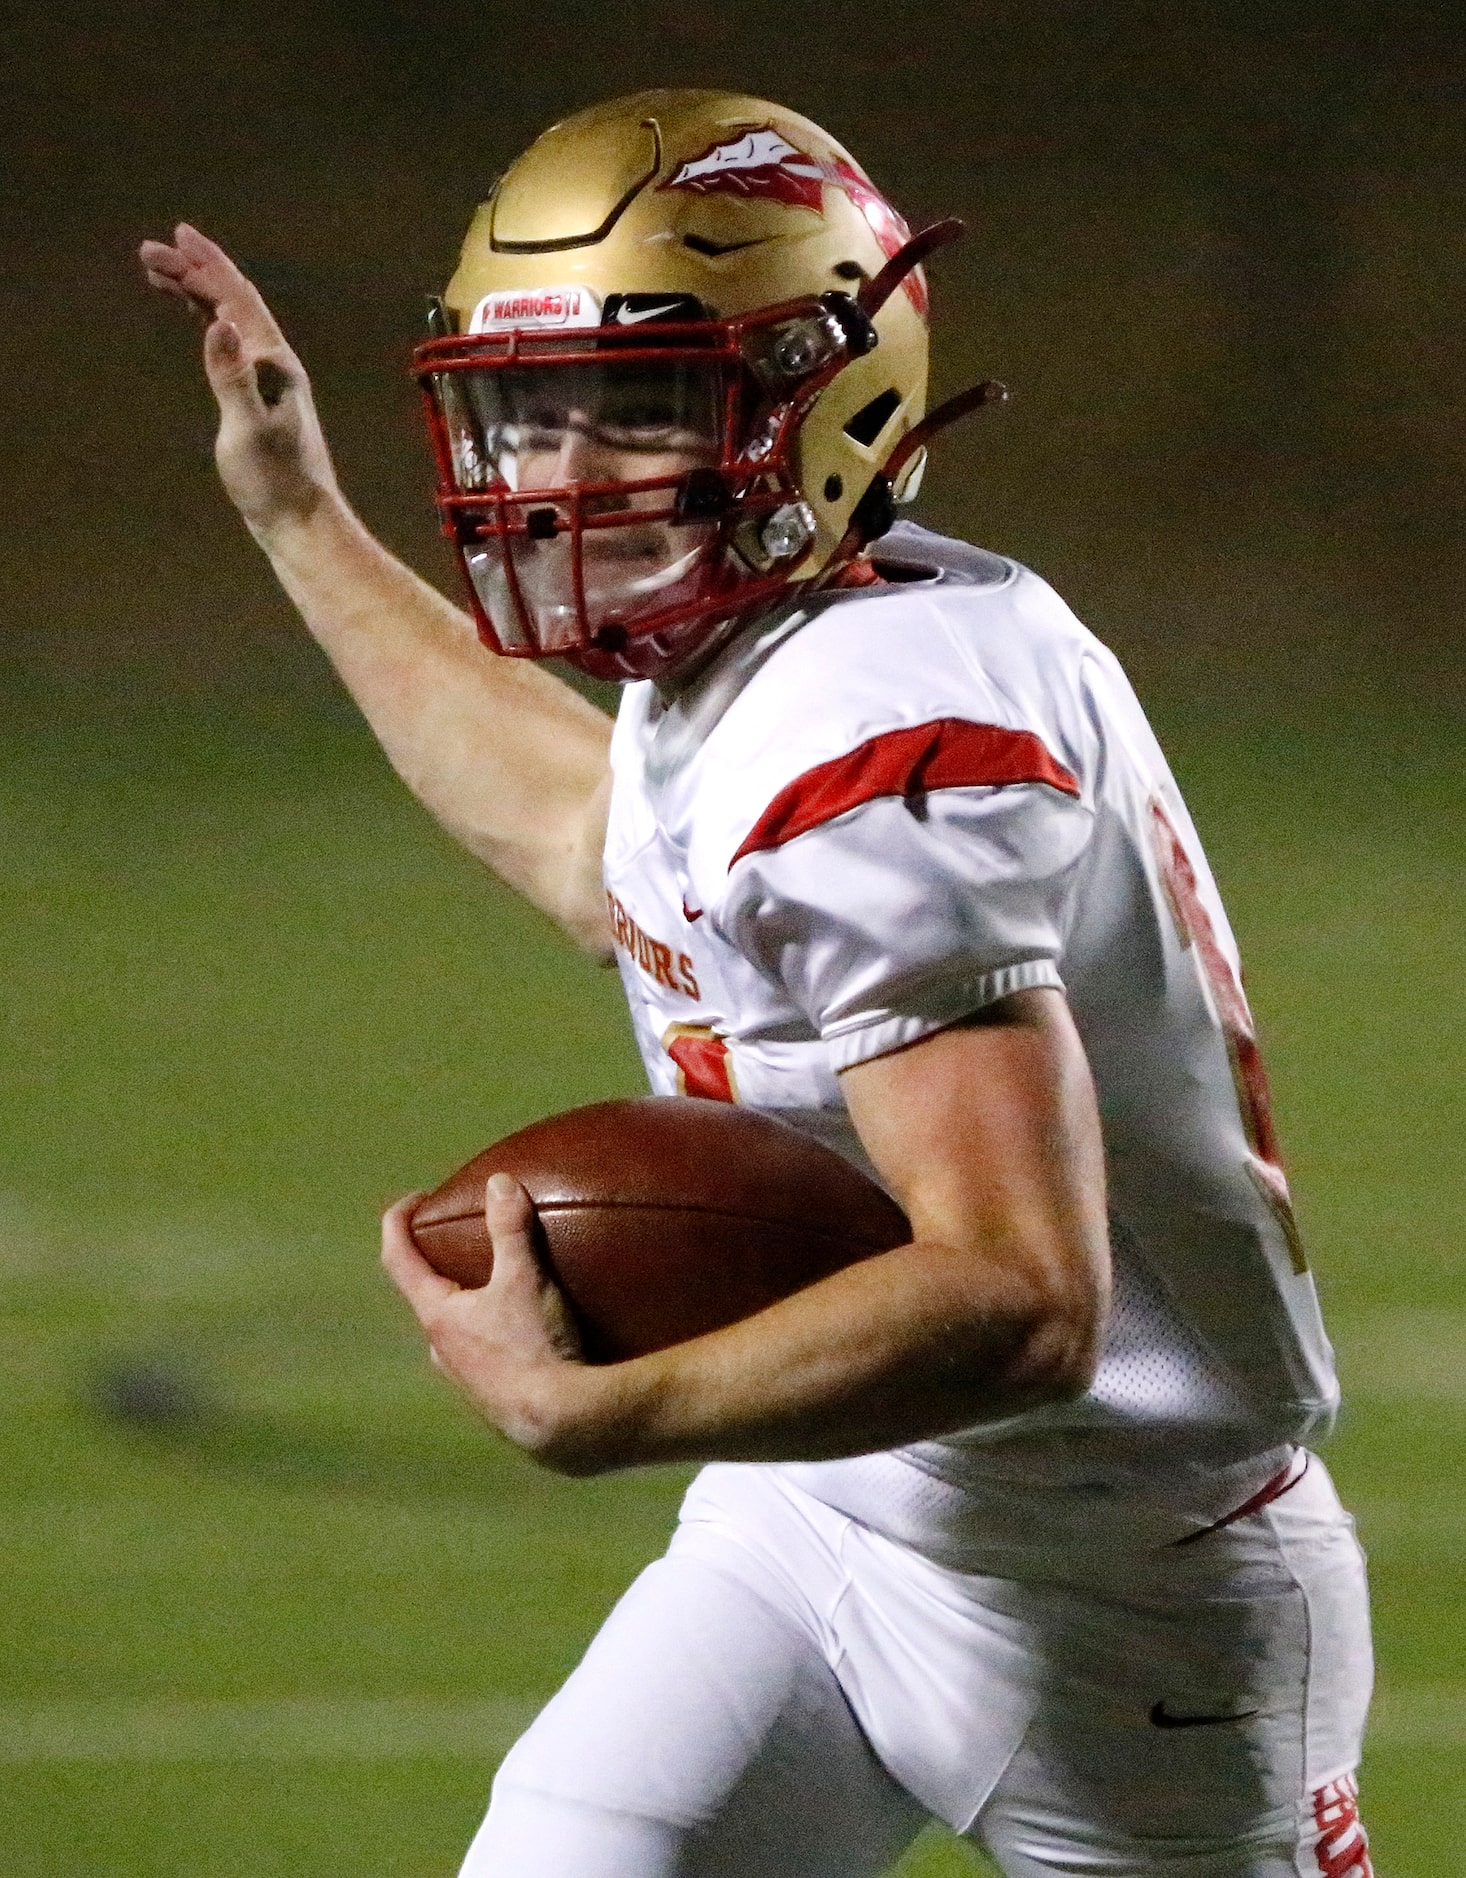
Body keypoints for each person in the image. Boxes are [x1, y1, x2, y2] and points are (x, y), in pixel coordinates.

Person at [140, 88, 1374, 1878]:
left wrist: (600, 1406)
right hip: (823, 1521)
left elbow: (1023, 1293)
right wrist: (300, 520)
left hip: (1127, 1591)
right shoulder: (765, 640)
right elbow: (595, 851)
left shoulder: (884, 729)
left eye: (634, 406)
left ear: (821, 394)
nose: (559, 468)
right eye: (529, 407)